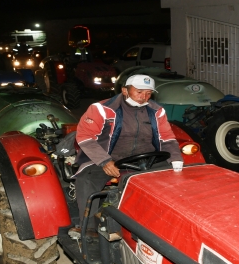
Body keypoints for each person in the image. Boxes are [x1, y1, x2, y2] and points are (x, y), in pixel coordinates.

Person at [73, 74, 184, 227]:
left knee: (175, 179)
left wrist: (176, 160)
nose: (143, 97)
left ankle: (170, 221)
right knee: (86, 179)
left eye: (148, 93)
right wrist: (104, 161)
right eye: (139, 91)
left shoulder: (157, 111)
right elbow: (85, 136)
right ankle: (88, 227)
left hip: (146, 159)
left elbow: (167, 137)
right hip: (109, 158)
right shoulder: (102, 109)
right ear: (125, 90)